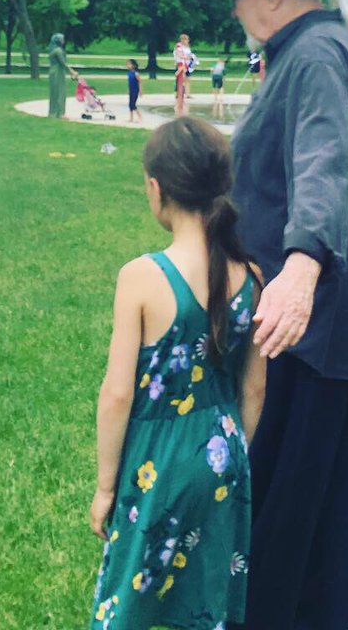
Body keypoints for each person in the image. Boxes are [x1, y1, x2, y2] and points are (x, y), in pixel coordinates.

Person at [195, 0, 348, 630]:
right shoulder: (323, 49)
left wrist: (302, 268)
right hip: (329, 327)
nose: (237, 12)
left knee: (291, 510)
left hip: (308, 333)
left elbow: (324, 166)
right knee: (321, 506)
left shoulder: (312, 55)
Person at [89, 117, 266, 628]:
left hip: (159, 462)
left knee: (128, 596)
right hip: (224, 455)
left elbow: (118, 394)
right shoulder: (252, 275)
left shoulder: (142, 276)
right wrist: (234, 455)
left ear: (156, 187)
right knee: (207, 594)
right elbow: (254, 389)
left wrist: (106, 488)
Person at [47, 33, 78, 119]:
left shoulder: (53, 50)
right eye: (62, 39)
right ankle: (59, 113)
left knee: (54, 92)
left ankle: (53, 112)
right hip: (58, 72)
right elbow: (63, 64)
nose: (63, 40)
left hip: (54, 72)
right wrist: (72, 72)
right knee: (60, 92)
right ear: (58, 40)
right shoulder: (58, 51)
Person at [173, 33, 195, 116]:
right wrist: (186, 57)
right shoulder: (179, 46)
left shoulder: (187, 48)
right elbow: (180, 55)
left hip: (185, 65)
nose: (186, 41)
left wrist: (189, 58)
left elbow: (188, 56)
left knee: (184, 81)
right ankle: (179, 98)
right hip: (181, 64)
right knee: (180, 81)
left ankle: (182, 97)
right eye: (185, 39)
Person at [125, 58, 142, 124]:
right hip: (131, 90)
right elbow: (130, 83)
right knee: (130, 104)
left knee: (133, 104)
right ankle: (131, 118)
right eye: (127, 64)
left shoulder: (136, 73)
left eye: (129, 64)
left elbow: (140, 82)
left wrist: (141, 91)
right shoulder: (129, 73)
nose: (128, 65)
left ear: (133, 65)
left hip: (135, 90)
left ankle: (140, 116)